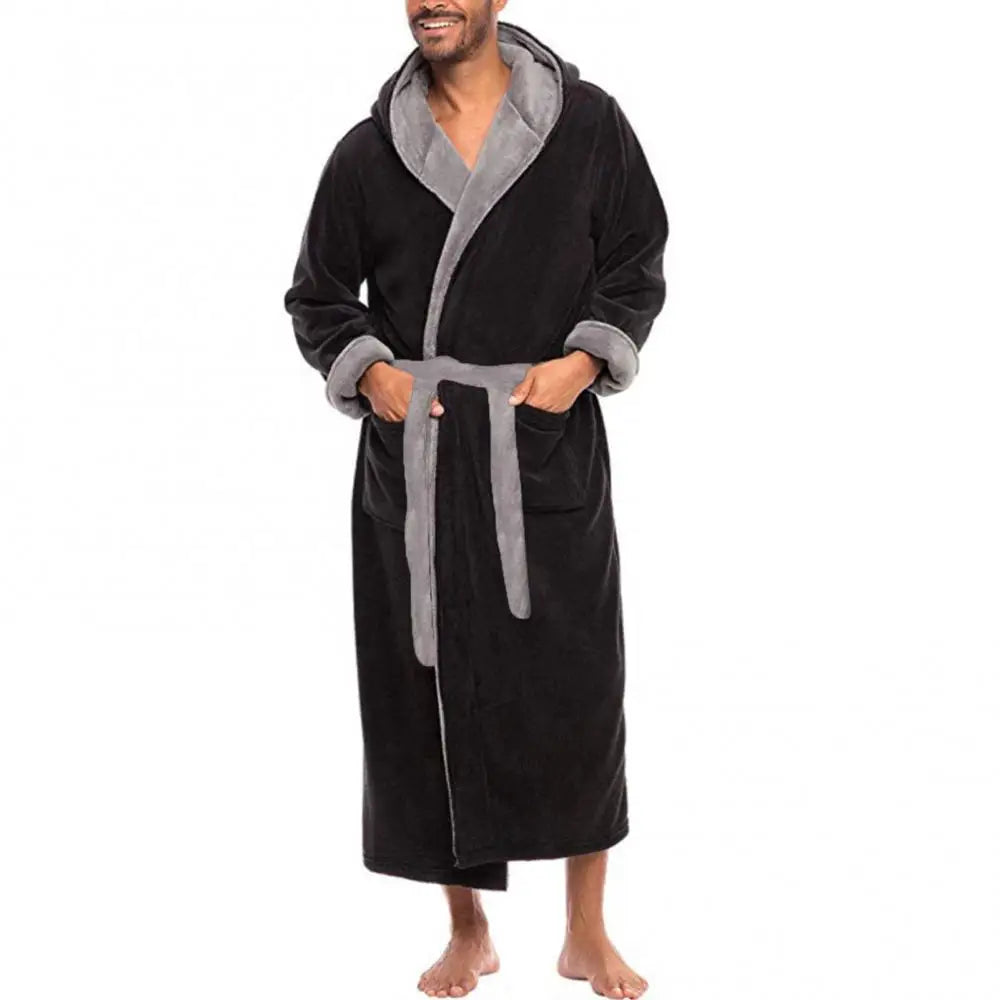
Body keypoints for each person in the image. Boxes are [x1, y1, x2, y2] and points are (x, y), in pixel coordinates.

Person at [283, 3, 668, 997]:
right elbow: (317, 295)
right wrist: (372, 374)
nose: (431, 0)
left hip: (541, 446)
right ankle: (467, 930)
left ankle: (585, 930)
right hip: (418, 459)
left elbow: (635, 258)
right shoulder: (369, 151)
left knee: (578, 687)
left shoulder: (586, 123)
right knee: (427, 689)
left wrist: (583, 363)